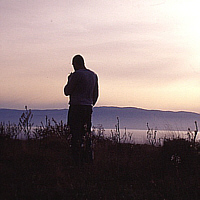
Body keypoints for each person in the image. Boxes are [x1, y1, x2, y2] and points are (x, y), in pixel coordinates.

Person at [64, 55, 99, 165]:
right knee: (86, 134)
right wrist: (90, 103)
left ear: (75, 64)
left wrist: (69, 79)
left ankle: (75, 160)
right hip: (87, 108)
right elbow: (96, 94)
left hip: (76, 107)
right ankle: (87, 158)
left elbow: (67, 91)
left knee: (74, 134)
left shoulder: (76, 75)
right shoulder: (93, 75)